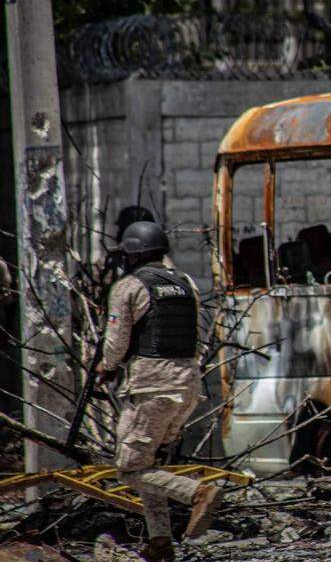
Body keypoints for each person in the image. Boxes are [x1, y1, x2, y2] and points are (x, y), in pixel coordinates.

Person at [98, 221, 221, 562]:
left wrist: (107, 367)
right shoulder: (185, 283)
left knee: (129, 468)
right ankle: (160, 542)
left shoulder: (128, 286)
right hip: (187, 383)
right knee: (148, 465)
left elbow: (116, 343)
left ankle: (198, 493)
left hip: (152, 386)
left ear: (134, 254)